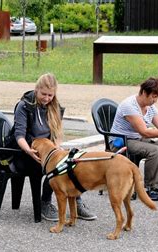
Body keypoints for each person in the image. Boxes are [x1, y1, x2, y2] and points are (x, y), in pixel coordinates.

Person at [11, 73, 96, 221]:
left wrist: (58, 150)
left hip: (47, 150)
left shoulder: (54, 106)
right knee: (55, 168)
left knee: (70, 163)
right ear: (36, 89)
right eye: (43, 94)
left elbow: (57, 135)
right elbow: (19, 135)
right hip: (24, 151)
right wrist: (28, 151)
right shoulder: (23, 106)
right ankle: (45, 202)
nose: (46, 98)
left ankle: (77, 201)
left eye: (50, 95)